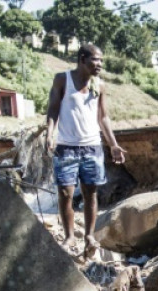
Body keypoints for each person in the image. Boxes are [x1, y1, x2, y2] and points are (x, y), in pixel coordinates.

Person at [45, 43, 127, 260]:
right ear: (82, 59)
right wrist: (50, 133)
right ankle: (70, 236)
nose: (99, 64)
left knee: (91, 193)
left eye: (101, 60)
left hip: (92, 147)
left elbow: (103, 117)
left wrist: (113, 144)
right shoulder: (62, 79)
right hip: (66, 147)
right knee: (65, 193)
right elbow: (53, 110)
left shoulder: (99, 85)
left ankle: (89, 236)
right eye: (95, 60)